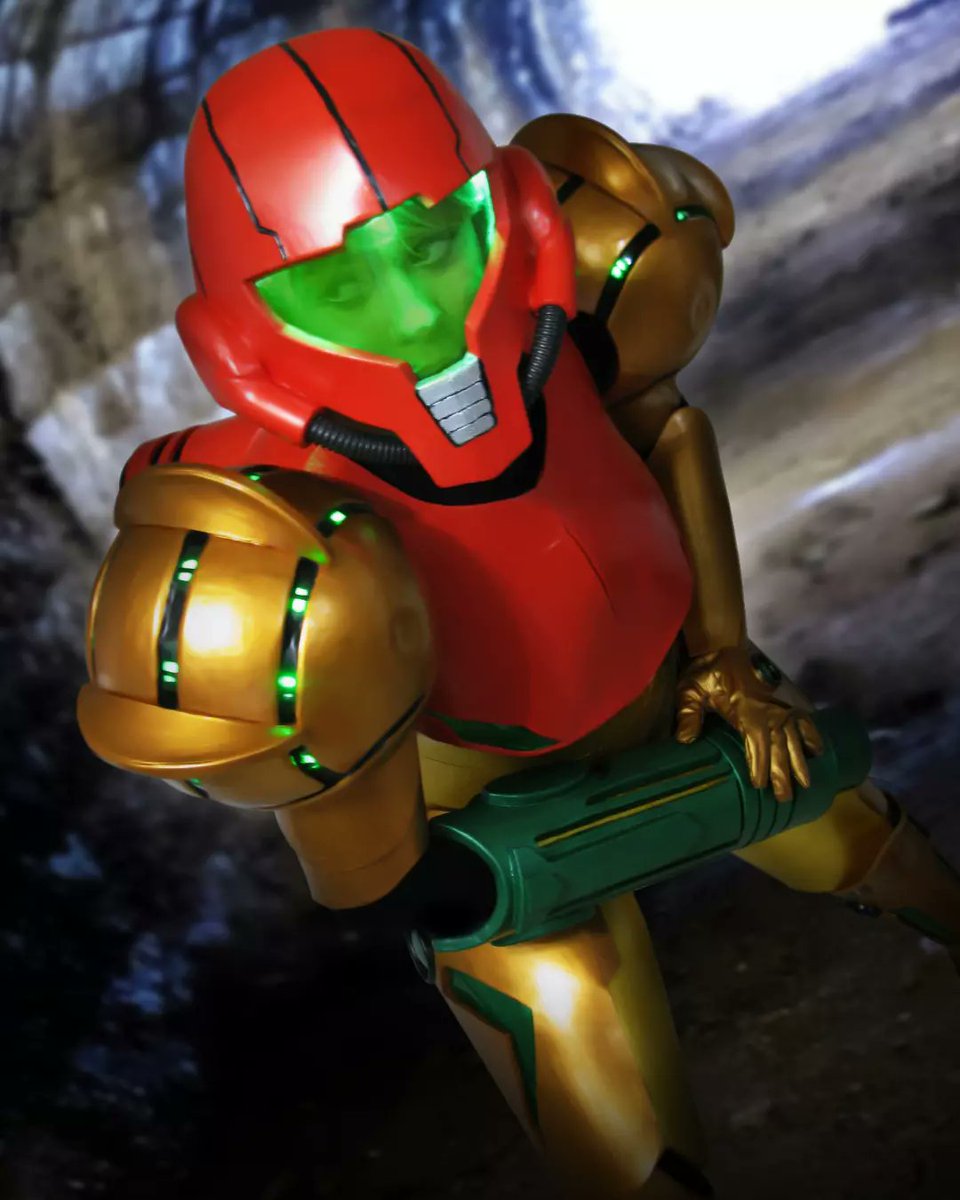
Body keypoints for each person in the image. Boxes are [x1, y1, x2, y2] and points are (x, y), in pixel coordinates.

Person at [77, 28, 960, 1199]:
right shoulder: (258, 519)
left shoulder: (590, 298)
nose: (416, 314)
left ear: (519, 208)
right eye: (337, 285)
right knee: (630, 1158)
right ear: (238, 334)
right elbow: (337, 811)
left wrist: (725, 656)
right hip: (484, 807)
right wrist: (428, 882)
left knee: (884, 856)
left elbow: (665, 433)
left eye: (436, 241)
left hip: (684, 692)